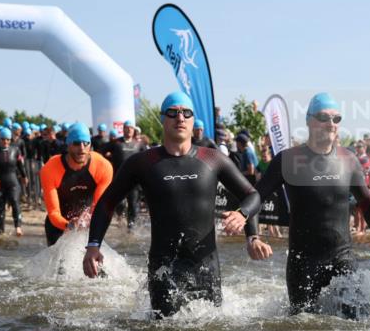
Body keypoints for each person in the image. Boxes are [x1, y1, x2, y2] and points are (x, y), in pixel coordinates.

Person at [83, 91, 260, 318]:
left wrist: (243, 217)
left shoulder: (213, 158)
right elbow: (107, 203)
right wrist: (93, 246)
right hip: (163, 269)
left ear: (193, 120)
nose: (180, 118)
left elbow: (252, 195)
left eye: (186, 113)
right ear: (162, 119)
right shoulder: (142, 162)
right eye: (173, 113)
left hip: (206, 268)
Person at [249, 92, 370, 318]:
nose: (331, 124)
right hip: (303, 263)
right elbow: (255, 198)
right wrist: (253, 237)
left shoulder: (348, 160)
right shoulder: (289, 160)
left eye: (336, 119)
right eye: (324, 117)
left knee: (360, 320)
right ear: (308, 121)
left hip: (342, 258)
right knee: (303, 327)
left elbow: (366, 201)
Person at [40, 122, 113, 246]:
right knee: (59, 264)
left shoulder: (102, 166)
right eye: (77, 143)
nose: (82, 148)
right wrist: (68, 224)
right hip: (58, 225)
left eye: (86, 143)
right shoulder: (50, 168)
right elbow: (53, 213)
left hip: (88, 223)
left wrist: (90, 221)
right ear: (68, 145)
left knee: (93, 263)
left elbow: (99, 207)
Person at [0, 127, 27, 236]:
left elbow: (20, 166)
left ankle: (18, 227)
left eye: (8, 140)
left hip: (12, 181)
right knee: (0, 211)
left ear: (10, 140)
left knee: (14, 201)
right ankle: (1, 233)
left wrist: (24, 176)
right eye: (3, 139)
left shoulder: (15, 150)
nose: (5, 142)